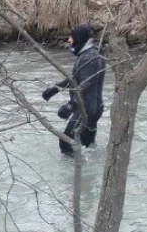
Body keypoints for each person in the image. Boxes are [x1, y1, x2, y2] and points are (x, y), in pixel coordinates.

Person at [42, 23, 107, 155]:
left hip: (86, 110)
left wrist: (70, 106)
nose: (69, 40)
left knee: (66, 144)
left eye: (72, 37)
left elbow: (86, 84)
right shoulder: (94, 53)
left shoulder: (89, 57)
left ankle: (71, 174)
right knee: (87, 147)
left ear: (80, 38)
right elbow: (77, 78)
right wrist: (55, 89)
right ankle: (91, 173)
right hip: (96, 107)